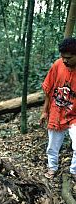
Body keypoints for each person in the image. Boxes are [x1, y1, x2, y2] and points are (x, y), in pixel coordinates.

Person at [40, 37, 76, 179]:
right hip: (57, 111)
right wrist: (44, 111)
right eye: (63, 57)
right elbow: (49, 90)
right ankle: (52, 168)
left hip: (74, 115)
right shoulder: (57, 65)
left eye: (69, 57)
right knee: (52, 146)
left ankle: (73, 171)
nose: (65, 61)